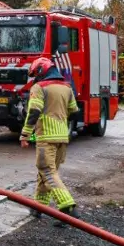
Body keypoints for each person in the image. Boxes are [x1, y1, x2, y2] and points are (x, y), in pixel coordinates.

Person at [19, 56, 78, 226]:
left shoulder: (39, 87)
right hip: (63, 137)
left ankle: (68, 209)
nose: (35, 78)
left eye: (35, 75)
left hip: (46, 137)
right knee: (45, 173)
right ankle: (39, 207)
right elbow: (74, 111)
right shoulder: (67, 87)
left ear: (41, 71)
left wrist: (25, 134)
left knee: (47, 171)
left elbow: (34, 112)